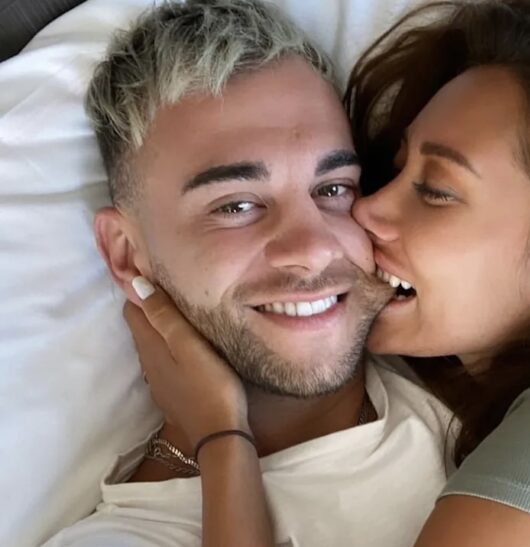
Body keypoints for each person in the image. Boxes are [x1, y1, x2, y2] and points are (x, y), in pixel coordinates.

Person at [112, 1, 530, 546]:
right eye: (236, 206)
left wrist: (222, 439)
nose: (365, 209)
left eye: (435, 191)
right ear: (124, 250)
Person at [42, 2, 454, 546]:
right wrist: (223, 437)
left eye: (332, 189)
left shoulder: (470, 374)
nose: (312, 250)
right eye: (236, 205)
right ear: (125, 254)